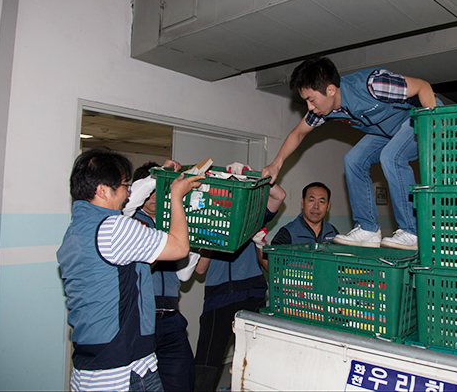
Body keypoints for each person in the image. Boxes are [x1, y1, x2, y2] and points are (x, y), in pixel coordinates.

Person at [57, 148, 203, 391]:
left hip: (92, 366)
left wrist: (158, 176)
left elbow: (129, 271)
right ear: (102, 190)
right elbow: (179, 248)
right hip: (125, 370)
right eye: (125, 185)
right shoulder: (114, 227)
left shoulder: (76, 231)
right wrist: (176, 197)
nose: (128, 193)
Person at [261, 57, 439, 250]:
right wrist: (276, 164)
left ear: (330, 90)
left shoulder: (373, 84)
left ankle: (412, 231)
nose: (310, 107)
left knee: (392, 156)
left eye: (311, 100)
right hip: (388, 131)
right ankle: (368, 229)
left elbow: (423, 87)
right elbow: (298, 133)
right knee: (353, 160)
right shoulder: (324, 110)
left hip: (420, 116)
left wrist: (432, 127)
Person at [193, 183, 286, 392]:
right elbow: (199, 269)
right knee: (206, 365)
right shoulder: (207, 222)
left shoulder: (252, 219)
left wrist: (253, 176)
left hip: (252, 295)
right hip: (218, 299)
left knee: (255, 362)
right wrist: (209, 237)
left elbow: (279, 195)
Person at [126, 161, 198, 392]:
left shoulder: (172, 225)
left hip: (171, 320)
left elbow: (185, 275)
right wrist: (158, 177)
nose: (156, 197)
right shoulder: (128, 221)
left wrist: (197, 241)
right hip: (139, 320)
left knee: (182, 383)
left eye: (162, 190)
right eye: (151, 191)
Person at [271, 182, 338, 246]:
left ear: (328, 206)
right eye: (311, 200)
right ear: (302, 203)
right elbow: (270, 256)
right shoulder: (287, 233)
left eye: (321, 201)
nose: (316, 206)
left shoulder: (332, 232)